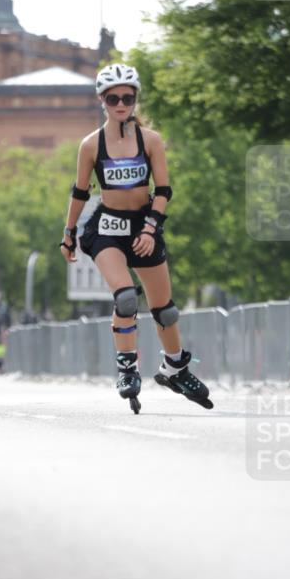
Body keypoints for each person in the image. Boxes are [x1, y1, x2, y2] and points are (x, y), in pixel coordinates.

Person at [59, 62, 212, 411]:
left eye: (127, 98)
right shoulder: (91, 145)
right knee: (126, 299)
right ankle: (127, 367)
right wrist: (69, 233)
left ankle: (175, 368)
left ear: (135, 99)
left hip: (144, 227)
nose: (120, 104)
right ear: (102, 100)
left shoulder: (151, 141)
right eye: (112, 98)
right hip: (107, 229)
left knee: (165, 311)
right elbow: (80, 192)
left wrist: (150, 228)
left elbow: (164, 190)